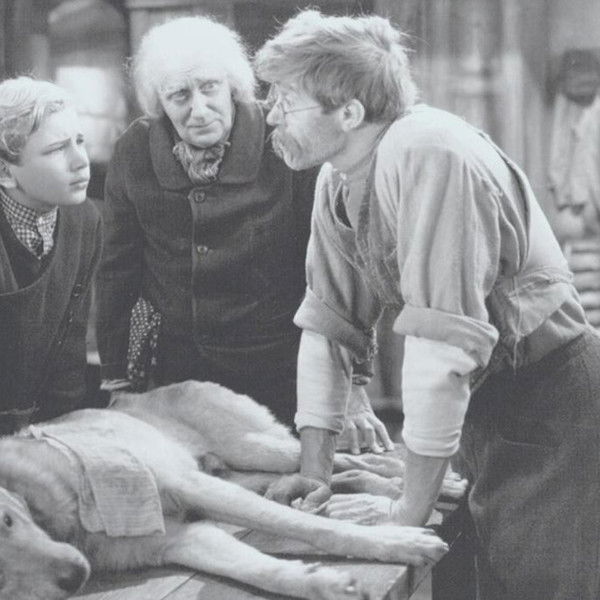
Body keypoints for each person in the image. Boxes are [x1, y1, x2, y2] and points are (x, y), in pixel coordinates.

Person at [255, 11, 600, 600]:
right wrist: (313, 474)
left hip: (552, 400)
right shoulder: (338, 177)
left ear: (349, 112)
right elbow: (328, 327)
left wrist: (404, 516)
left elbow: (442, 348)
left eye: (286, 101)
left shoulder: (427, 151)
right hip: (490, 408)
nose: (270, 115)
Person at [96, 16, 393, 447]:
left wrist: (352, 384)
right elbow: (117, 272)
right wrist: (118, 381)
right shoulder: (135, 150)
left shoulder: (286, 139)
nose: (199, 109)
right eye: (179, 95)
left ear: (232, 85)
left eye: (209, 88)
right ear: (159, 102)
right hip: (184, 381)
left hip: (284, 373)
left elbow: (340, 269)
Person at [0, 76, 101, 434]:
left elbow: (69, 347)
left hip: (47, 426)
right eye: (57, 149)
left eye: (79, 141)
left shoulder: (84, 219)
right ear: (5, 172)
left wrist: (61, 433)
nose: (80, 162)